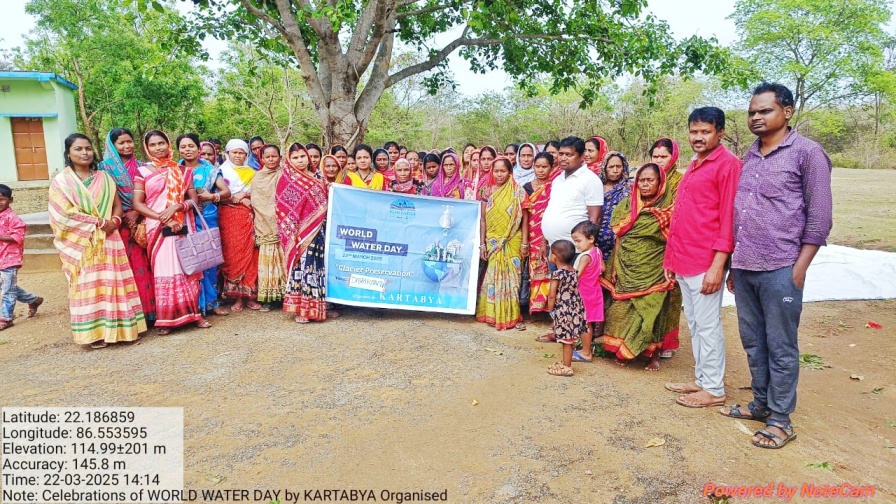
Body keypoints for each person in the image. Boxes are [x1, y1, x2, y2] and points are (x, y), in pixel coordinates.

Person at [723, 82, 833, 449]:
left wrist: (799, 269)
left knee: (781, 345)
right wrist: (733, 265)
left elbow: (820, 217)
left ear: (787, 112)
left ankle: (781, 420)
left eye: (764, 111)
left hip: (782, 267)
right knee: (754, 342)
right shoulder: (751, 154)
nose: (756, 117)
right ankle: (761, 404)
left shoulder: (807, 154)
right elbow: (742, 213)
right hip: (745, 267)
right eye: (751, 112)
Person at [663, 107, 742, 408]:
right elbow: (682, 215)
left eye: (705, 131)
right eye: (694, 131)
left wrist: (718, 265)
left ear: (720, 133)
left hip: (705, 261)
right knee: (695, 323)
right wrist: (670, 259)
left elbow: (728, 219)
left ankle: (713, 389)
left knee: (708, 326)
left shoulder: (728, 165)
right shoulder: (695, 164)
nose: (698, 137)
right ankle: (702, 379)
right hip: (683, 257)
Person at [50, 134, 147, 347]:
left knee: (114, 282)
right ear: (68, 153)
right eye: (78, 149)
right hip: (83, 244)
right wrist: (99, 223)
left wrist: (114, 221)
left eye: (87, 148)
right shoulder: (62, 182)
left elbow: (117, 205)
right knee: (89, 286)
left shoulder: (104, 177)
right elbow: (63, 215)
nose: (84, 153)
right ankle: (94, 334)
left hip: (110, 238)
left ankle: (123, 330)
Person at [601, 163, 681, 371]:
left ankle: (653, 354)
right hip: (627, 265)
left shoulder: (670, 209)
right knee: (621, 309)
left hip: (655, 267)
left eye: (650, 180)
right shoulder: (626, 206)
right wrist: (615, 265)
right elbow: (619, 237)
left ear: (660, 183)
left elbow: (674, 240)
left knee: (653, 310)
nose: (645, 184)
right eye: (641, 180)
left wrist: (671, 265)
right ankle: (624, 348)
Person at [131, 130, 208, 334]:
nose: (158, 148)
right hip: (157, 228)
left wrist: (176, 207)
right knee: (163, 270)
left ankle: (195, 314)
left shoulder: (182, 171)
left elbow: (193, 199)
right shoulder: (143, 171)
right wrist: (162, 218)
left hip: (182, 225)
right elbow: (137, 204)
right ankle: (166, 319)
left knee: (187, 268)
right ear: (147, 148)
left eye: (161, 143)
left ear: (168, 144)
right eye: (153, 145)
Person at [97, 128, 156, 323]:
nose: (127, 146)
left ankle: (149, 311)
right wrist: (123, 215)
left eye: (129, 141)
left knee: (144, 264)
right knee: (123, 267)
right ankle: (128, 314)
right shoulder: (103, 170)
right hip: (117, 224)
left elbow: (151, 193)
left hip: (143, 221)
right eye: (121, 143)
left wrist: (137, 212)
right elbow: (103, 197)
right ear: (112, 146)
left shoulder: (143, 167)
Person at [278, 142, 332, 323]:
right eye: (295, 157)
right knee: (303, 268)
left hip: (319, 230)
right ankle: (302, 310)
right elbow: (283, 209)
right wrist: (293, 233)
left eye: (303, 156)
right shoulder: (286, 180)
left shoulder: (319, 177)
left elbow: (328, 199)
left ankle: (317, 308)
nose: (300, 160)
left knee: (318, 267)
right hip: (299, 234)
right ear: (289, 159)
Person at [178, 133, 231, 317]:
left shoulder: (209, 170)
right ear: (178, 150)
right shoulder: (174, 170)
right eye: (183, 147)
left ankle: (212, 302)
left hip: (206, 218)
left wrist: (211, 196)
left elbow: (226, 192)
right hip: (183, 219)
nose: (187, 150)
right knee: (188, 261)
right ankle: (193, 305)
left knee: (208, 260)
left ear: (198, 149)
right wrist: (188, 202)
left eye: (191, 146)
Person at [476, 157, 530, 331]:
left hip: (513, 240)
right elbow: (483, 220)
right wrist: (482, 244)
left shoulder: (518, 192)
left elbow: (525, 220)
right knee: (492, 277)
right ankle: (491, 313)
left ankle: (510, 314)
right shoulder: (486, 192)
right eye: (496, 171)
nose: (499, 174)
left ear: (510, 172)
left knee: (513, 280)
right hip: (492, 241)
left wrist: (525, 243)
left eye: (503, 171)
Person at [218, 139, 261, 312]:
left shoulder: (253, 173)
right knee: (233, 254)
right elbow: (217, 195)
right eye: (234, 152)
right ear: (227, 154)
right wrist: (235, 198)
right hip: (228, 217)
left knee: (251, 254)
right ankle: (237, 297)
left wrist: (245, 196)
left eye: (241, 153)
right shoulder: (219, 172)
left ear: (246, 155)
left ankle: (251, 296)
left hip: (248, 217)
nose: (238, 156)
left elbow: (259, 193)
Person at [541, 136, 603, 250]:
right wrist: (544, 242)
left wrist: (586, 250)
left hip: (575, 249)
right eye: (561, 154)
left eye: (569, 155)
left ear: (582, 157)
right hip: (553, 247)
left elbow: (595, 219)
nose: (563, 158)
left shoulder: (590, 180)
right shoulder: (557, 179)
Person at [0, 184, 43, 331]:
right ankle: (33, 299)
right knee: (6, 286)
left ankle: (6, 318)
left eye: (1, 199)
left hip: (9, 259)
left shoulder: (13, 218)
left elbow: (17, 237)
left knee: (8, 290)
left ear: (10, 200)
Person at [544, 239, 588, 377]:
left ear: (554, 257)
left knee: (566, 340)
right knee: (569, 338)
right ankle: (565, 362)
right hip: (575, 309)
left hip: (563, 310)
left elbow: (552, 295)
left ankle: (567, 367)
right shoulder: (574, 271)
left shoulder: (557, 274)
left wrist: (551, 310)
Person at [252, 145, 287, 310]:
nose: (271, 159)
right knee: (268, 262)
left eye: (274, 156)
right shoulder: (258, 177)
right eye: (268, 157)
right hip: (264, 224)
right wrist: (268, 215)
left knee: (284, 259)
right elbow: (256, 201)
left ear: (280, 157)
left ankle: (286, 295)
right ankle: (268, 298)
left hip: (283, 223)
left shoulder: (285, 174)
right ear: (262, 159)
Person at [525, 152, 554, 323]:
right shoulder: (527, 188)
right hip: (531, 234)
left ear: (551, 167)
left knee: (548, 271)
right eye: (537, 166)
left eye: (544, 167)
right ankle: (535, 309)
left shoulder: (555, 187)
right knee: (533, 270)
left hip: (549, 234)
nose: (540, 170)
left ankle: (547, 309)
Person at [569, 220, 604, 363]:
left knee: (585, 323)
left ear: (591, 238)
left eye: (578, 241)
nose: (576, 245)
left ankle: (586, 352)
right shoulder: (597, 252)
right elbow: (603, 268)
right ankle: (586, 348)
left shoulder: (585, 256)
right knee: (588, 322)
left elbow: (576, 275)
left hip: (584, 294)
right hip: (594, 291)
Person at [597, 151, 631, 261]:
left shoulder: (629, 188)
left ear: (624, 167)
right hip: (594, 240)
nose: (615, 170)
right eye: (611, 167)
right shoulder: (595, 185)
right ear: (604, 167)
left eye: (619, 166)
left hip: (619, 243)